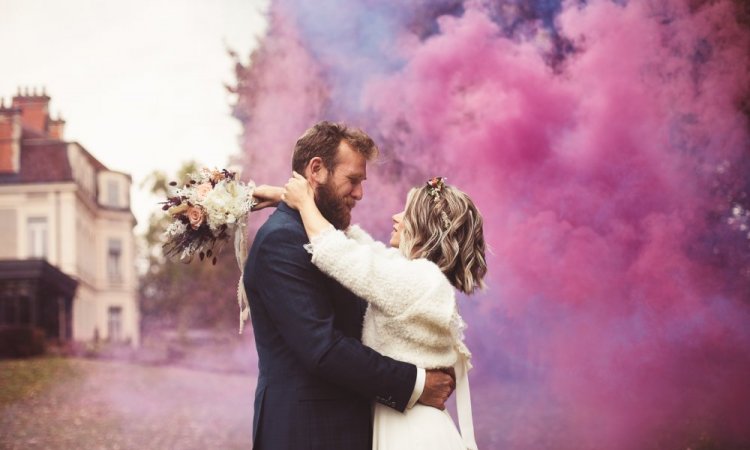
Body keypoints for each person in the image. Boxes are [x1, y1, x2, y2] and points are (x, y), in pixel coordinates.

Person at [244, 121, 456, 450]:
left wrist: (288, 198)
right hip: (307, 435)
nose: (359, 193)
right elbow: (323, 348)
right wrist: (416, 384)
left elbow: (361, 262)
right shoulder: (282, 241)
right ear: (317, 170)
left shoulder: (323, 236)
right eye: (353, 180)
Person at [282, 172, 487, 449]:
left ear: (427, 228)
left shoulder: (422, 279)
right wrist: (286, 197)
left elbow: (342, 255)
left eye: (407, 213)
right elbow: (362, 247)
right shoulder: (412, 272)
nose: (395, 216)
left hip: (415, 433)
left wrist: (306, 205)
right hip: (404, 421)